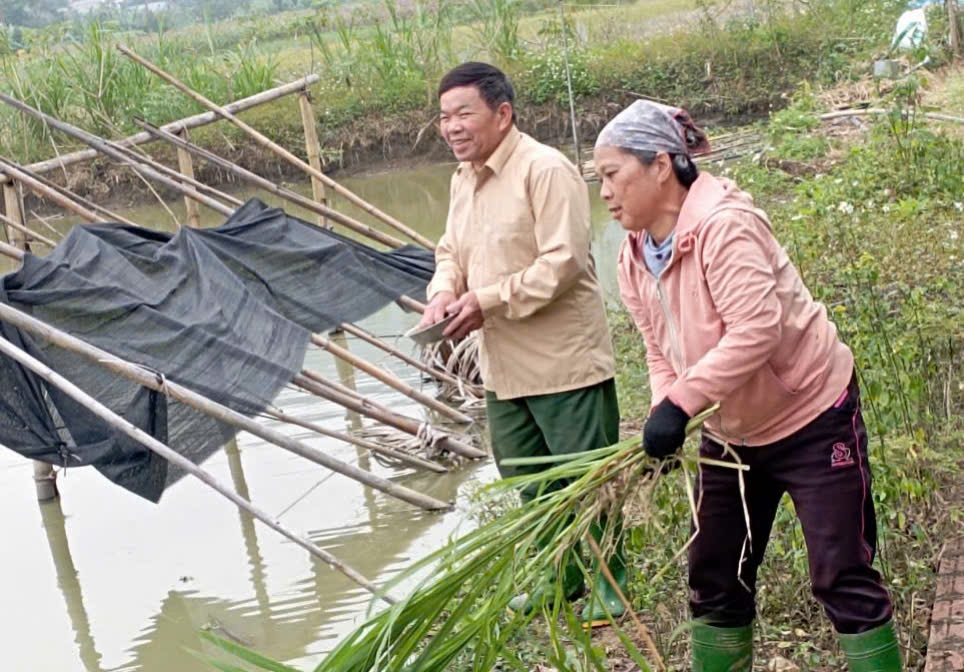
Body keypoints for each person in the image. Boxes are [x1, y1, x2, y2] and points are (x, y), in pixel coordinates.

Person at [594, 100, 900, 671]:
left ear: (659, 165)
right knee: (715, 572)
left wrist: (683, 402)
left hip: (811, 414)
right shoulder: (633, 257)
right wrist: (666, 410)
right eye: (600, 180)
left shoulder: (725, 226)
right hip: (729, 433)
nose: (606, 193)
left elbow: (757, 330)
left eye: (612, 175)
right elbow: (659, 349)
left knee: (841, 572)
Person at [417, 62, 623, 626]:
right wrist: (444, 292)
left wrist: (485, 300)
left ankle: (611, 581)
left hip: (563, 362)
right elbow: (450, 251)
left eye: (464, 114)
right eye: (444, 117)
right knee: (528, 481)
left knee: (584, 480)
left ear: (502, 114)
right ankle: (560, 576)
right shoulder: (463, 179)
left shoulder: (545, 169)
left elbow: (563, 262)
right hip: (502, 365)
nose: (451, 127)